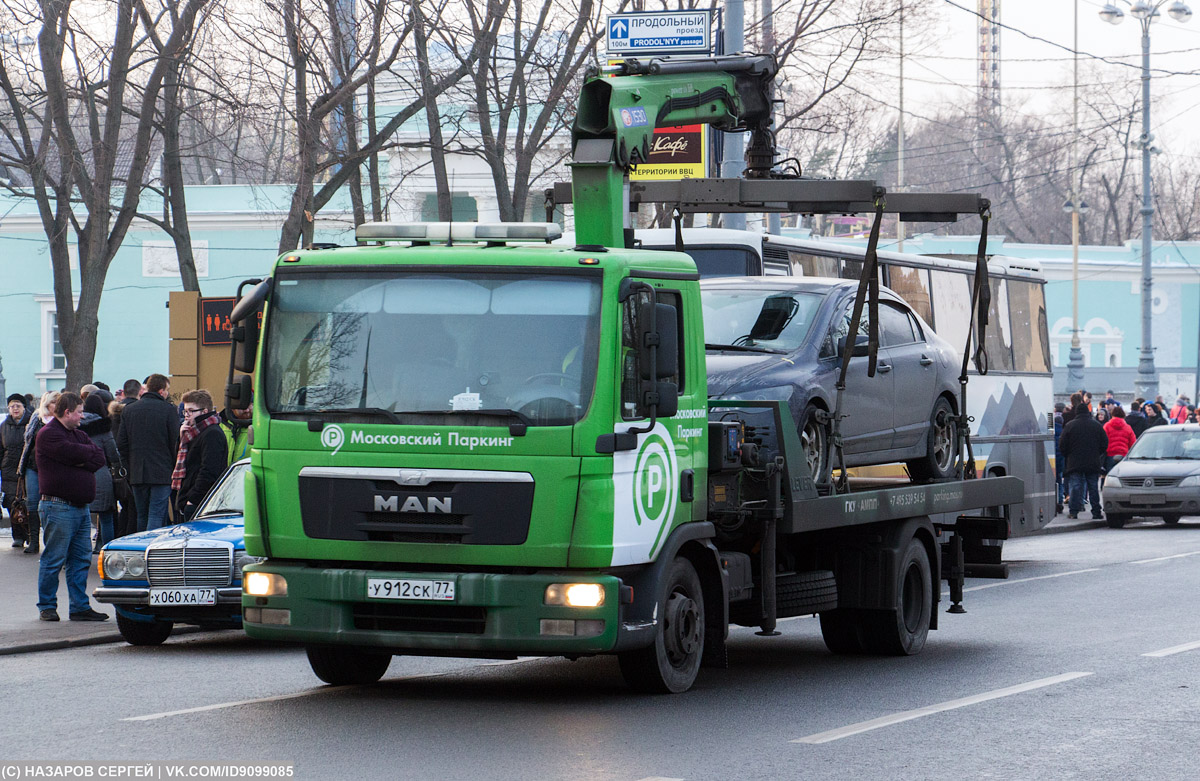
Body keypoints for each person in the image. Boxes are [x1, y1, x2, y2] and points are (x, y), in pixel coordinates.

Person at [34, 392, 109, 622]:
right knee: (54, 559)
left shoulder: (78, 434)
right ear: (67, 413)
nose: (82, 416)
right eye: (79, 412)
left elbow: (99, 457)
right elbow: (77, 453)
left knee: (80, 560)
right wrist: (82, 457)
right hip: (58, 507)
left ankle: (79, 607)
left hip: (80, 508)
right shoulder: (48, 435)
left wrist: (80, 459)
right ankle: (47, 606)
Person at [115, 373, 179, 532]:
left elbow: (121, 444)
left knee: (141, 515)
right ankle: (152, 550)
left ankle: (141, 551)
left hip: (137, 473)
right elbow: (175, 442)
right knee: (156, 515)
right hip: (162, 473)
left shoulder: (129, 410)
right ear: (162, 390)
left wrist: (129, 466)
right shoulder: (169, 410)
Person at [173, 390, 228, 522]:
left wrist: (192, 500)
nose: (187, 415)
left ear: (204, 411)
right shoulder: (193, 432)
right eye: (185, 411)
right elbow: (180, 461)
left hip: (200, 503)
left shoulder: (211, 433)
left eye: (191, 411)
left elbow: (209, 471)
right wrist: (181, 439)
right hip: (189, 499)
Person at [17, 391, 59, 554]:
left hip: (53, 468)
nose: (56, 405)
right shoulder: (37, 418)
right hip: (33, 466)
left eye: (58, 402)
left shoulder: (62, 421)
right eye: (54, 402)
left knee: (50, 504)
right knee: (33, 503)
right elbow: (28, 442)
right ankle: (34, 541)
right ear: (47, 404)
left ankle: (50, 541)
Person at [80, 394, 122, 552]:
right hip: (101, 475)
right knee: (106, 517)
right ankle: (108, 552)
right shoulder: (104, 428)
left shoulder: (74, 427)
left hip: (80, 476)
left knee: (81, 518)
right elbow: (113, 454)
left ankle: (81, 552)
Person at [1059, 399, 1107, 521]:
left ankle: (1073, 511)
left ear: (1076, 412)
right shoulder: (1096, 425)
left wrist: (1068, 456)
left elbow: (1062, 445)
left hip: (1074, 462)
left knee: (1075, 487)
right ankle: (1096, 512)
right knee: (1093, 488)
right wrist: (1097, 454)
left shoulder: (1070, 426)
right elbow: (1104, 444)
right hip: (1092, 462)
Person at [2, 393, 31, 546]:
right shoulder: (4, 426)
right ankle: (17, 537)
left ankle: (30, 534)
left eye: (17, 406)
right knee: (11, 503)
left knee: (28, 503)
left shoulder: (31, 423)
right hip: (9, 471)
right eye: (12, 406)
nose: (14, 409)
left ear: (23, 407)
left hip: (27, 470)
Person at [1102, 407, 1135, 489]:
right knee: (1122, 477)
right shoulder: (1128, 427)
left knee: (1110, 477)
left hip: (1110, 455)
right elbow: (1133, 443)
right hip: (1123, 455)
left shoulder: (1107, 426)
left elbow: (1103, 441)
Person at [219, 402, 252, 466]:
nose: (247, 410)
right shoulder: (219, 425)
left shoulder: (263, 427)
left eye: (250, 405)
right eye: (242, 406)